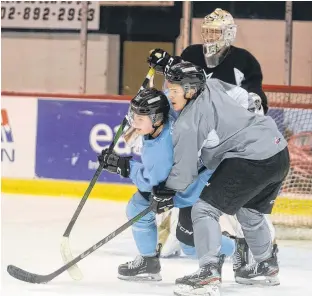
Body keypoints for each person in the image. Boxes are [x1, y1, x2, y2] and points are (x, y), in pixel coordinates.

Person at [147, 7, 273, 273]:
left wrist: (256, 100)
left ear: (228, 33)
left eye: (215, 31)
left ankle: (254, 245)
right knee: (175, 181)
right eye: (206, 31)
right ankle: (169, 237)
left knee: (240, 199)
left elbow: (256, 95)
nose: (209, 36)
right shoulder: (192, 53)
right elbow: (176, 80)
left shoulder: (244, 61)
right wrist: (166, 63)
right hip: (198, 135)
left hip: (227, 140)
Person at [148, 61, 289, 296]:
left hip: (251, 158)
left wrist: (166, 191)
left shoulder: (189, 122)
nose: (169, 95)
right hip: (278, 151)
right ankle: (266, 266)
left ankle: (208, 273)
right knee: (249, 210)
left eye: (174, 90)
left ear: (191, 90)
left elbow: (184, 172)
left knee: (203, 210)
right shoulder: (212, 84)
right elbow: (243, 96)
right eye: (168, 88)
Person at [98, 88, 235, 281]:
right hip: (189, 176)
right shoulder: (167, 112)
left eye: (140, 119)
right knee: (139, 207)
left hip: (198, 187)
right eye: (133, 116)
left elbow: (151, 183)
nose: (134, 122)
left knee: (189, 241)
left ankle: (238, 248)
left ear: (156, 119)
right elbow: (166, 96)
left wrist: (124, 166)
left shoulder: (161, 152)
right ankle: (149, 262)